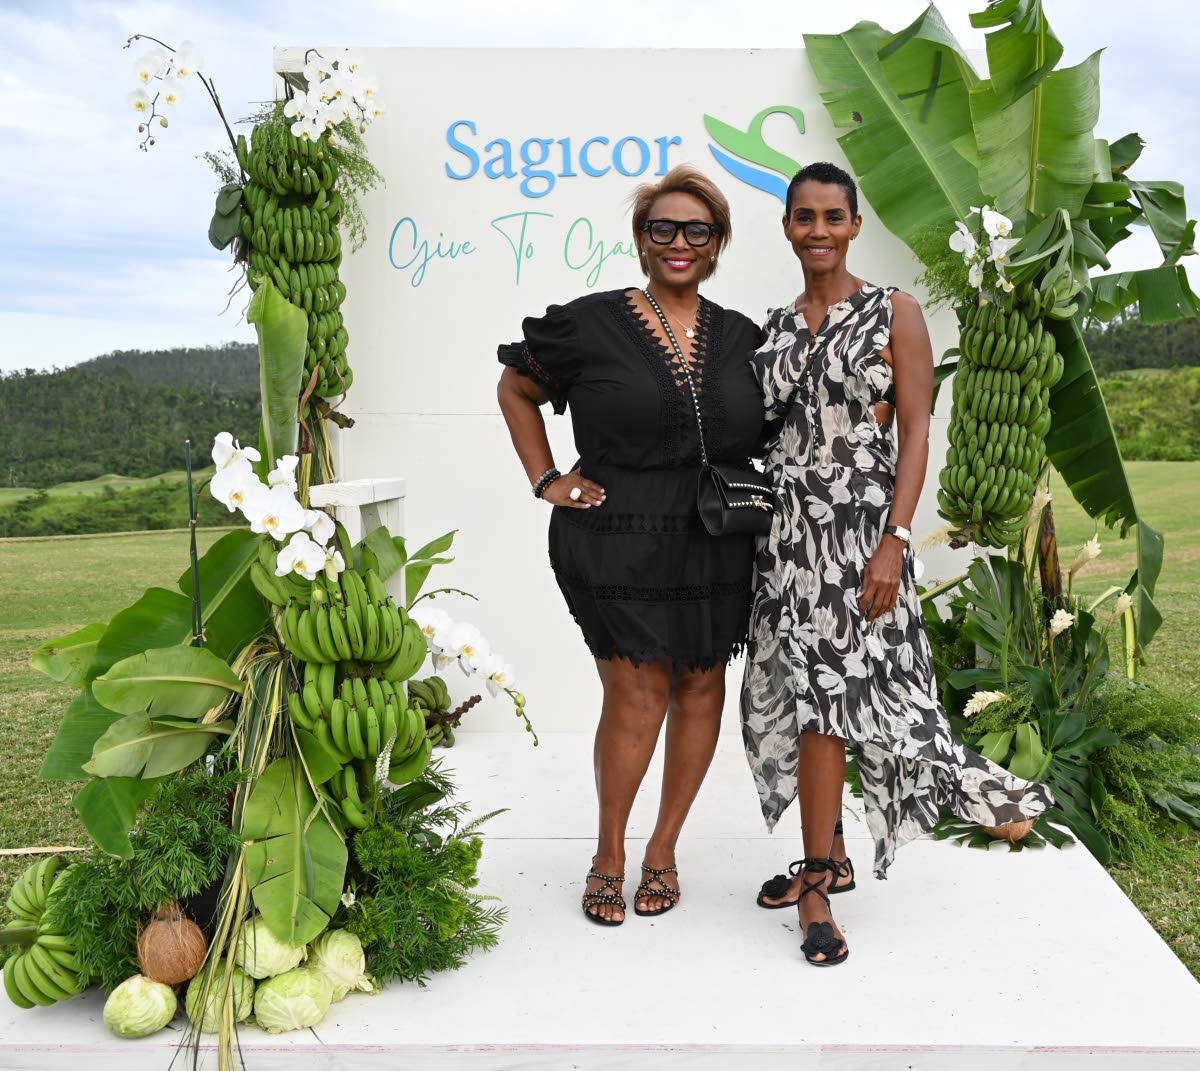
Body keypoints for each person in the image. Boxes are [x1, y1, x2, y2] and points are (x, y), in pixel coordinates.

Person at [741, 162, 1054, 965]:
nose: (817, 230)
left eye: (832, 216)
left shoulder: (893, 311)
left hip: (862, 542)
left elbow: (915, 430)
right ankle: (833, 854)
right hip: (787, 543)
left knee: (855, 699)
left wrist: (897, 539)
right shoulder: (773, 326)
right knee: (815, 695)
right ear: (786, 227)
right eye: (803, 216)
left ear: (852, 225)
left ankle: (817, 885)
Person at [497, 165, 764, 926]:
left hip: (715, 540)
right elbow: (516, 388)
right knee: (638, 692)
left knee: (701, 688)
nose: (680, 243)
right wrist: (546, 476)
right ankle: (608, 851)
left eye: (697, 231)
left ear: (717, 245)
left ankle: (664, 849)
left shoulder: (744, 335)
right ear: (642, 240)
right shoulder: (589, 322)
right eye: (663, 229)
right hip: (615, 534)